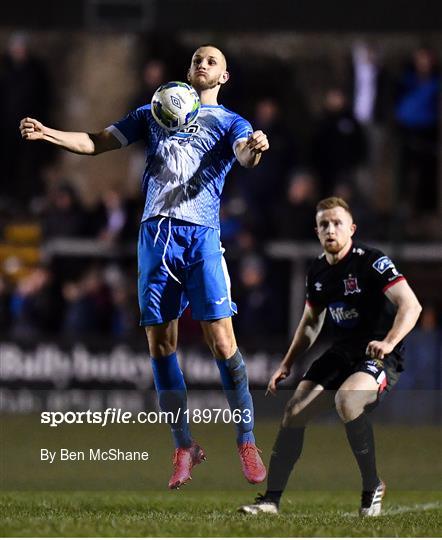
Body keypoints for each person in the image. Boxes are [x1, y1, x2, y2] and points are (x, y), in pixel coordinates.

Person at [20, 44, 269, 489]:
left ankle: (246, 440)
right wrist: (50, 134)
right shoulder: (154, 110)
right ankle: (183, 446)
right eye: (197, 58)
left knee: (222, 342)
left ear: (224, 77)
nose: (202, 64)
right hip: (155, 236)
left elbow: (246, 156)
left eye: (212, 61)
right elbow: (99, 141)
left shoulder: (231, 122)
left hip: (201, 237)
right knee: (160, 345)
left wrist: (255, 147)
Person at [239, 197, 422, 516]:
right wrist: (287, 362)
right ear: (316, 231)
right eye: (324, 224)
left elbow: (411, 305)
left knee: (348, 400)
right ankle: (270, 501)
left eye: (337, 223)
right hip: (343, 352)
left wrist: (390, 342)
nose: (330, 229)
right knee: (294, 411)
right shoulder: (318, 270)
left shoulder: (372, 262)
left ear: (352, 228)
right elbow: (311, 322)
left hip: (379, 354)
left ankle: (371, 486)